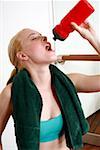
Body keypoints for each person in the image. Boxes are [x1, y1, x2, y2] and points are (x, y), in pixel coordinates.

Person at [0, 22, 100, 150]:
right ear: (23, 55)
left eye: (42, 35)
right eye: (34, 37)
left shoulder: (69, 82)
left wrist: (93, 39)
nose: (45, 38)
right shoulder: (11, 93)